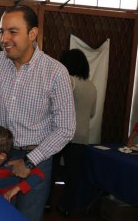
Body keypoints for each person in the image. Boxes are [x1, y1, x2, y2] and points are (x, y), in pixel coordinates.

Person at [0, 5, 76, 221]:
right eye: (1, 31)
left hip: (38, 157)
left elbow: (65, 128)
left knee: (26, 216)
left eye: (13, 31)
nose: (4, 38)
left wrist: (29, 161)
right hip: (0, 155)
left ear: (32, 33)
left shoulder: (55, 72)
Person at [52, 48, 97, 216]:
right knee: (73, 175)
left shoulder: (68, 80)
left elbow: (58, 106)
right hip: (82, 135)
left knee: (52, 170)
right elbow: (92, 113)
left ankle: (47, 204)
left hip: (62, 134)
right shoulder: (92, 85)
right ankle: (67, 207)